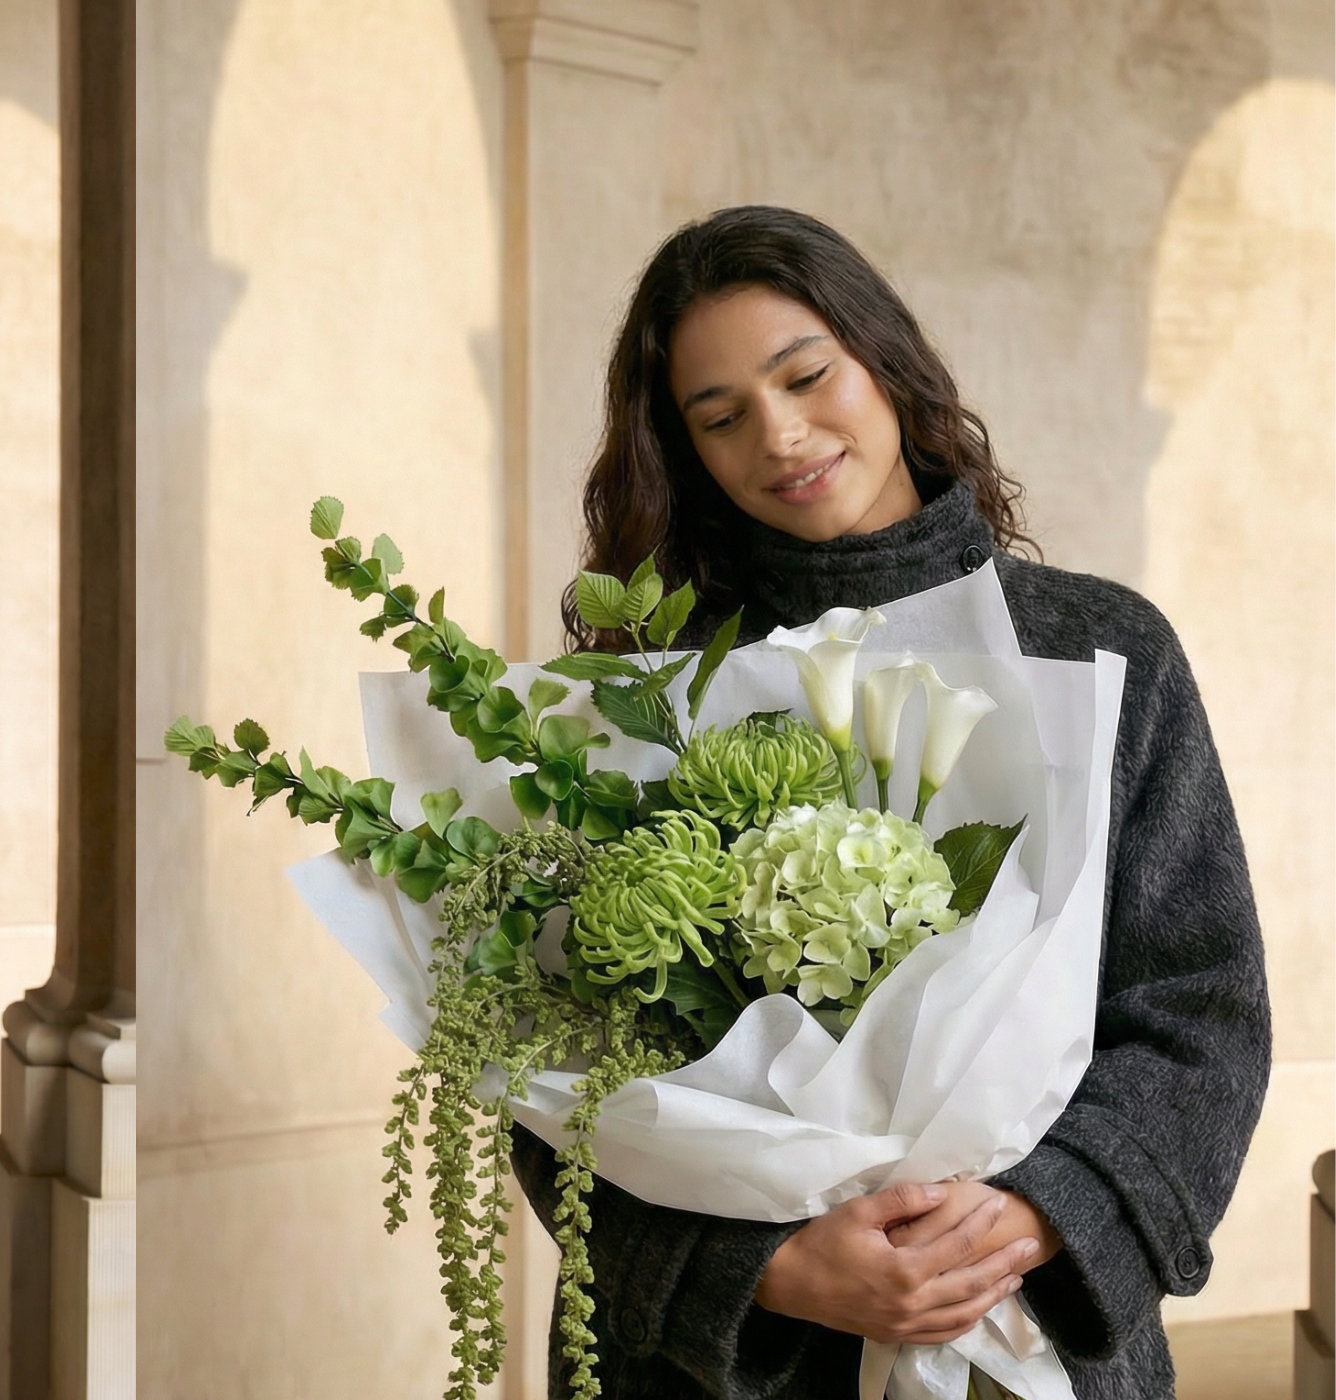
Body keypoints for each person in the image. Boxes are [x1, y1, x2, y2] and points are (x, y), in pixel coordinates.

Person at [510, 205, 1270, 1398]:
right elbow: (555, 1083)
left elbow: (1199, 1011)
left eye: (806, 375)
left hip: (1026, 1330)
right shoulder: (647, 699)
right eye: (721, 417)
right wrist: (770, 1267)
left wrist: (1031, 1219)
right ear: (686, 451)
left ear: (885, 360)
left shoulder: (1102, 647)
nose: (784, 433)